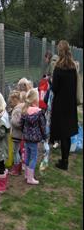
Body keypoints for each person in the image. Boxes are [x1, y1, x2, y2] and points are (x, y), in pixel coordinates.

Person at [49, 40, 78, 170]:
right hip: (70, 104)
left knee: (61, 132)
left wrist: (51, 81)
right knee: (67, 133)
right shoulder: (73, 67)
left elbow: (55, 88)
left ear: (59, 51)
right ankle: (65, 160)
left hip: (60, 103)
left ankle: (63, 162)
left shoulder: (58, 68)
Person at [20, 89, 46, 184]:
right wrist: (44, 136)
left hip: (26, 138)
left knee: (27, 155)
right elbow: (43, 126)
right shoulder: (39, 113)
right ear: (36, 100)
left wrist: (24, 132)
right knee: (33, 157)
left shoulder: (24, 111)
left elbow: (21, 124)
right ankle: (30, 178)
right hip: (34, 139)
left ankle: (27, 175)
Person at [9, 91, 25, 176]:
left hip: (17, 134)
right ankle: (18, 167)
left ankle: (16, 169)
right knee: (17, 151)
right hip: (19, 134)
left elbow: (18, 123)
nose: (10, 103)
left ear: (15, 99)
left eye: (11, 101)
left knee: (15, 152)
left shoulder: (17, 109)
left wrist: (11, 120)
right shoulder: (22, 107)